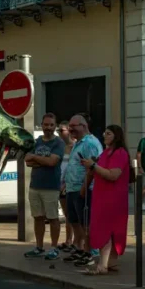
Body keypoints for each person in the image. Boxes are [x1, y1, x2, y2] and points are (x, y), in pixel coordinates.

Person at [80, 125, 131, 275]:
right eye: (105, 132)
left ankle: (102, 265)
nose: (104, 135)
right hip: (102, 196)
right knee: (108, 230)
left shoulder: (120, 153)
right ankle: (111, 262)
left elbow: (113, 175)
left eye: (108, 133)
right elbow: (97, 171)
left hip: (112, 198)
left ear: (116, 136)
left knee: (106, 230)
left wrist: (93, 165)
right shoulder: (105, 153)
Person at [62, 114, 103, 266]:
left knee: (86, 223)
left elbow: (92, 168)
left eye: (74, 126)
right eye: (70, 127)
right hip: (72, 189)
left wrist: (84, 188)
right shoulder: (78, 142)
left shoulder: (89, 143)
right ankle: (80, 249)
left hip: (84, 190)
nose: (71, 129)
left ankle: (90, 252)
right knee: (75, 221)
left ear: (84, 126)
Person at [24, 113, 65, 260]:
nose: (48, 127)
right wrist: (43, 160)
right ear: (42, 125)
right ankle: (39, 247)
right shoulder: (36, 142)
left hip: (51, 187)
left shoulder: (58, 143)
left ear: (55, 126)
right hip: (35, 186)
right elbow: (27, 161)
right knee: (38, 218)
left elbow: (52, 162)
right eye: (46, 124)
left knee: (53, 218)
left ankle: (54, 248)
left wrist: (36, 158)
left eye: (51, 125)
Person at [58, 121, 76, 252]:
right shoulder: (60, 146)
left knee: (72, 213)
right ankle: (68, 240)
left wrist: (66, 183)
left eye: (61, 130)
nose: (59, 133)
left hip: (69, 184)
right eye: (58, 131)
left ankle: (74, 241)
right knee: (66, 214)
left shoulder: (75, 146)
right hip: (59, 183)